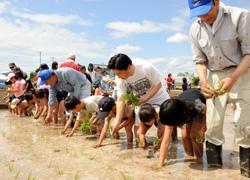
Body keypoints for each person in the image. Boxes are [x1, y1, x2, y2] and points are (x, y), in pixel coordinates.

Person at [188, 0, 250, 177]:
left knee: (245, 124)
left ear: (216, 2)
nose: (204, 17)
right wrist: (203, 81)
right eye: (198, 13)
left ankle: (246, 169)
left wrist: (232, 78)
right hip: (214, 75)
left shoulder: (240, 16)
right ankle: (214, 171)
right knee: (213, 124)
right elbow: (200, 61)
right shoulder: (195, 29)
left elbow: (249, 54)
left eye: (206, 11)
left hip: (243, 73)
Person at [107, 53, 170, 139]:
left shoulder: (145, 67)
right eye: (116, 74)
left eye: (119, 73)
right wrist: (117, 122)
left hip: (159, 98)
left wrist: (146, 98)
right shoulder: (120, 79)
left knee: (163, 131)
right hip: (141, 102)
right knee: (138, 133)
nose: (118, 77)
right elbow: (121, 100)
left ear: (129, 67)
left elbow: (158, 85)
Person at [158, 89, 206, 167]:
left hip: (198, 108)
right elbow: (165, 142)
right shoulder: (170, 113)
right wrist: (160, 165)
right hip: (183, 109)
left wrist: (202, 128)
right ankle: (190, 155)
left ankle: (199, 159)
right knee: (184, 136)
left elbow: (205, 110)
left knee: (194, 135)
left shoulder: (196, 105)